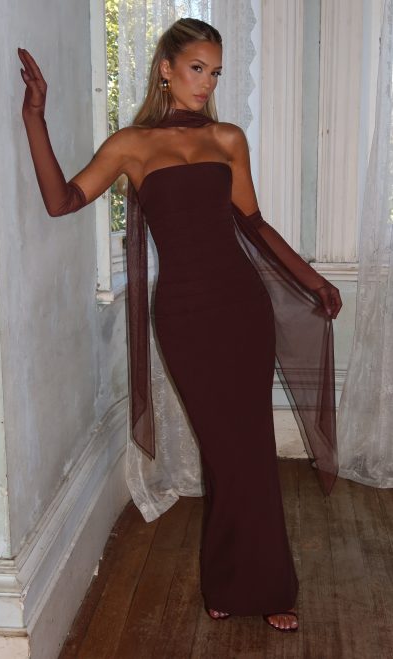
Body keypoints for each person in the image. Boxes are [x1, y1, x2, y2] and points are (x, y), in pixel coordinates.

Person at [18, 17, 342, 633]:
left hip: (242, 310)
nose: (206, 83)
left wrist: (312, 280)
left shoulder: (228, 138)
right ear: (166, 69)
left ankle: (268, 585)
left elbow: (255, 224)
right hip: (185, 317)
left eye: (215, 73)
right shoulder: (130, 146)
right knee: (222, 449)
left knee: (250, 446)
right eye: (197, 69)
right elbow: (61, 201)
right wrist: (35, 115)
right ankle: (229, 579)